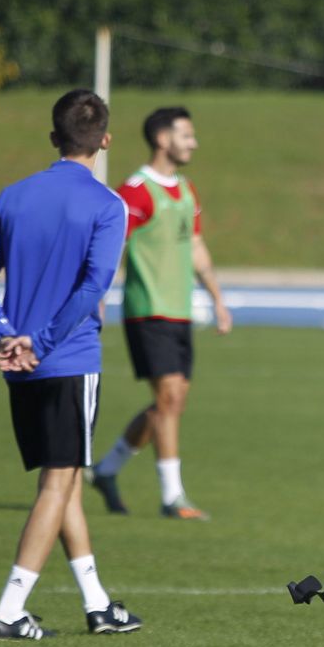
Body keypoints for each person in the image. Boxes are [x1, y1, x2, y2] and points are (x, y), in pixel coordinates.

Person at [0, 89, 142, 641]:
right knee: (58, 483)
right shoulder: (107, 205)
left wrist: (3, 333)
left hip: (18, 363)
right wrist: (40, 342)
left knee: (62, 479)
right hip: (67, 357)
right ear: (106, 140)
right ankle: (9, 610)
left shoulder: (12, 195)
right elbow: (94, 286)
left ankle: (97, 604)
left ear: (53, 137)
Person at [88, 107, 231, 520]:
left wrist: (217, 299)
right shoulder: (135, 191)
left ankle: (107, 470)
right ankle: (173, 498)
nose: (194, 143)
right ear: (163, 139)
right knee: (168, 399)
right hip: (147, 310)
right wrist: (96, 298)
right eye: (187, 135)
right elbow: (110, 247)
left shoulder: (186, 189)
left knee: (172, 403)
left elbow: (196, 246)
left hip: (180, 311)